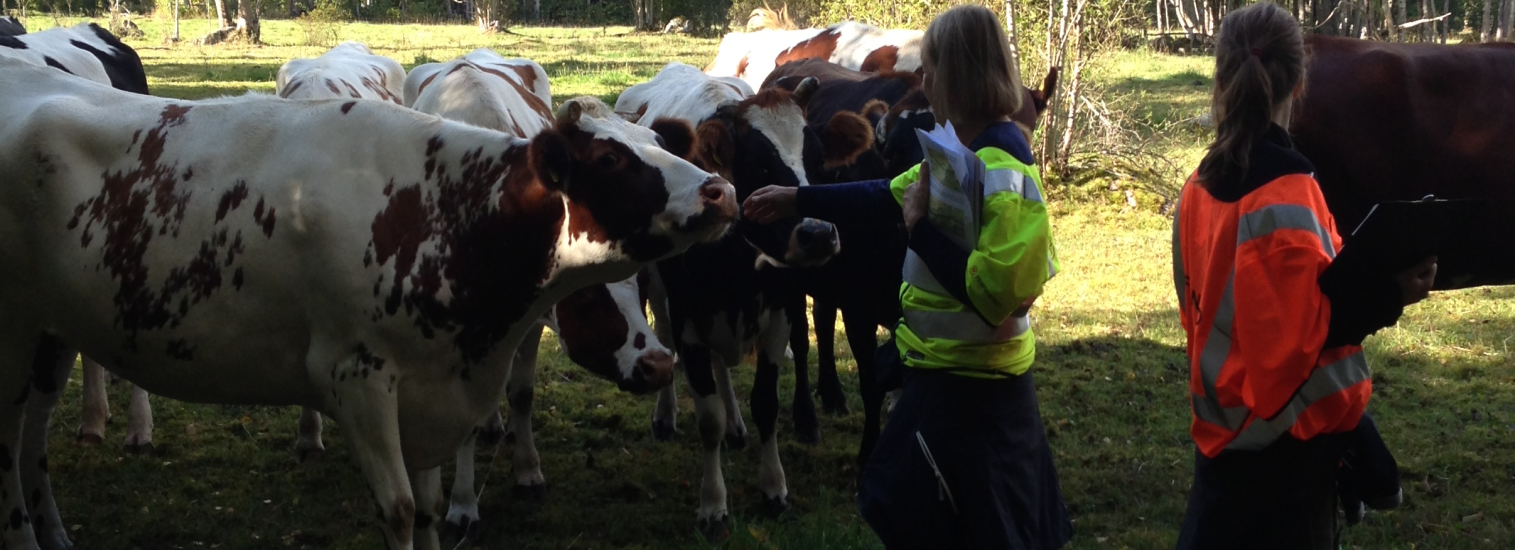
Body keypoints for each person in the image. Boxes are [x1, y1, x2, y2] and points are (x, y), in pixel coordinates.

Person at [744, 5, 1072, 549]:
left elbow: (1002, 297)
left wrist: (918, 231)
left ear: (956, 76)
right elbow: (885, 194)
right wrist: (795, 197)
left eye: (933, 68)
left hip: (979, 399)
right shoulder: (960, 147)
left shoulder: (1004, 165)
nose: (925, 80)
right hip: (942, 376)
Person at [1170, 3, 1437, 549]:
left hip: (1220, 445)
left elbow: (1199, 307)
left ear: (1221, 81)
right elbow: (1307, 333)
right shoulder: (1292, 192)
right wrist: (1392, 293)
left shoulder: (1195, 188)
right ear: (1298, 87)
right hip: (1287, 458)